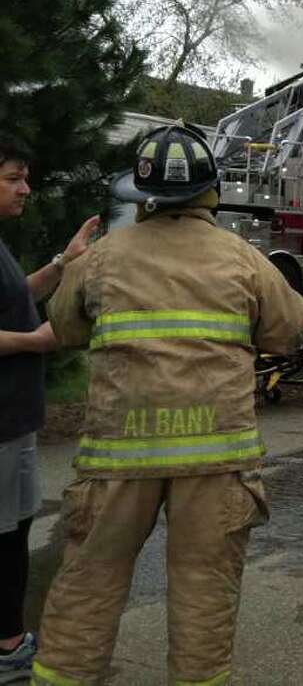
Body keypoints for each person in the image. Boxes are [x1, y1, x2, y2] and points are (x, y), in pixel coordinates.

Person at [34, 123, 303, 686]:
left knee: (87, 587)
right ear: (211, 192)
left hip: (118, 459)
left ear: (141, 197)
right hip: (216, 461)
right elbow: (290, 332)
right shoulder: (243, 258)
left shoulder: (103, 257)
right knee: (204, 596)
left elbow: (63, 328)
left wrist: (78, 272)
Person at [0, 137, 99, 683]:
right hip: (1, 425)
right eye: (14, 177)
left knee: (14, 530)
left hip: (14, 421)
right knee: (5, 539)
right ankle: (9, 648)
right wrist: (37, 343)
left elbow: (18, 299)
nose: (26, 188)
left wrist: (63, 262)